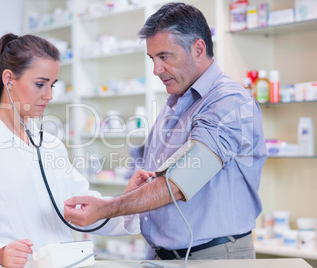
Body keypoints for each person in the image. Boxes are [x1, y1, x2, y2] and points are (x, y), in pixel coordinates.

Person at [64, 2, 267, 261]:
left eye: (165, 57)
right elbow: (157, 178)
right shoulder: (176, 102)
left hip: (212, 256)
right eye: (152, 58)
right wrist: (132, 196)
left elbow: (178, 183)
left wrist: (106, 209)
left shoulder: (229, 102)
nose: (156, 69)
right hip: (163, 255)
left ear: (198, 48)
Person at [0, 33, 153, 268]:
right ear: (9, 79)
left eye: (52, 85)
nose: (49, 95)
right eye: (40, 84)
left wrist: (128, 201)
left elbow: (82, 209)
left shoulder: (51, 146)